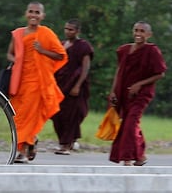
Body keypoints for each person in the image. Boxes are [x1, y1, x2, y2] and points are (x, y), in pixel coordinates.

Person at [7, 2, 68, 163]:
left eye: (37, 12)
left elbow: (61, 55)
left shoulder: (46, 33)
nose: (34, 15)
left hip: (38, 82)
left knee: (29, 117)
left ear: (42, 16)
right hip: (19, 82)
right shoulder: (19, 33)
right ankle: (31, 141)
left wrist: (42, 51)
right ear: (26, 13)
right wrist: (16, 61)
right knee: (18, 117)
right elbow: (10, 54)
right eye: (31, 11)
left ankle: (22, 152)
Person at [108, 21, 166, 166]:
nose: (138, 34)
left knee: (131, 122)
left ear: (149, 35)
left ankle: (127, 158)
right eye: (136, 30)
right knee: (130, 123)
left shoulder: (152, 51)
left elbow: (160, 73)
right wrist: (113, 91)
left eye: (142, 31)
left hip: (142, 94)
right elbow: (119, 71)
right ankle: (140, 156)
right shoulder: (124, 50)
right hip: (124, 93)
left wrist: (140, 84)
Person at [52, 19, 94, 155]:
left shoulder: (83, 46)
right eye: (66, 29)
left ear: (77, 31)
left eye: (71, 29)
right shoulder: (62, 44)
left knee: (72, 115)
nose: (68, 31)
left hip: (75, 85)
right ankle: (63, 142)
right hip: (60, 84)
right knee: (57, 114)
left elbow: (85, 67)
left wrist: (77, 85)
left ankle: (67, 145)